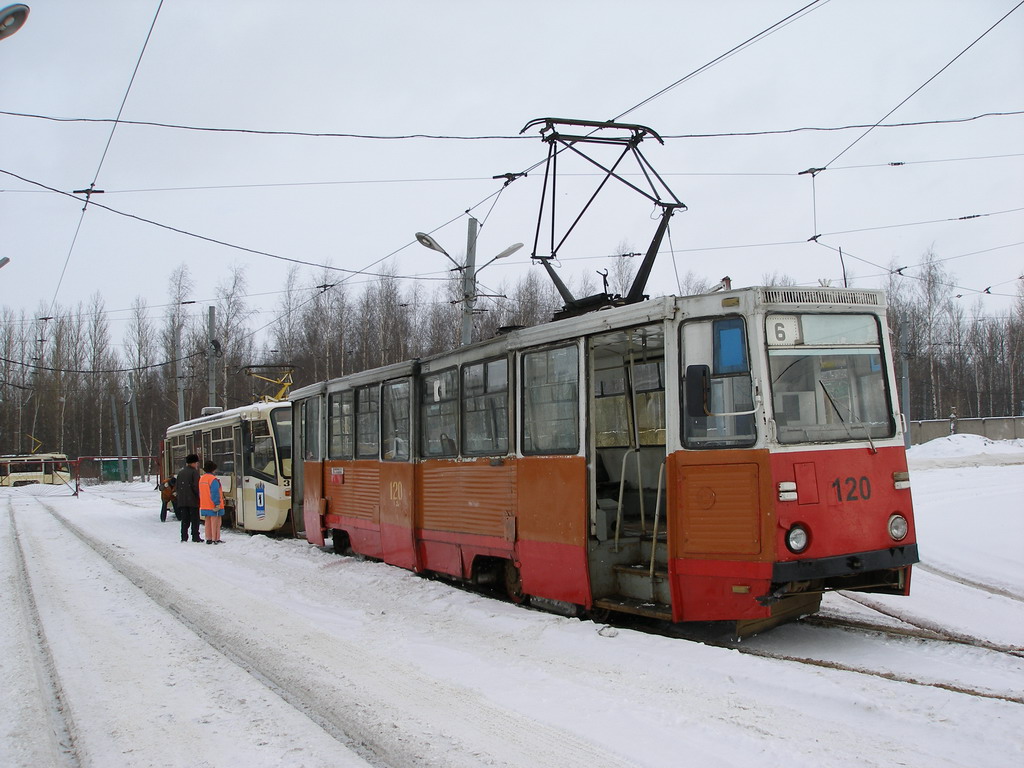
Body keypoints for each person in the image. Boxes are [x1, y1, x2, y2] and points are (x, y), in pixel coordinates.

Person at [175, 454, 202, 543]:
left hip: (182, 500)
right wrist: (198, 497)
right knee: (195, 519)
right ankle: (195, 536)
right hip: (193, 501)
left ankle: (184, 536)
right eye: (196, 462)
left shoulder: (181, 472)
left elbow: (177, 487)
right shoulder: (194, 472)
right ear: (194, 463)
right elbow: (196, 487)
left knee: (185, 520)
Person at [199, 460, 225, 545]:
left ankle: (209, 538)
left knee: (207, 522)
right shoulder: (213, 479)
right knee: (216, 523)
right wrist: (217, 503)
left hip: (204, 504)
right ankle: (215, 538)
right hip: (213, 505)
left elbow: (200, 492)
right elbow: (215, 492)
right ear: (213, 469)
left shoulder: (202, 478)